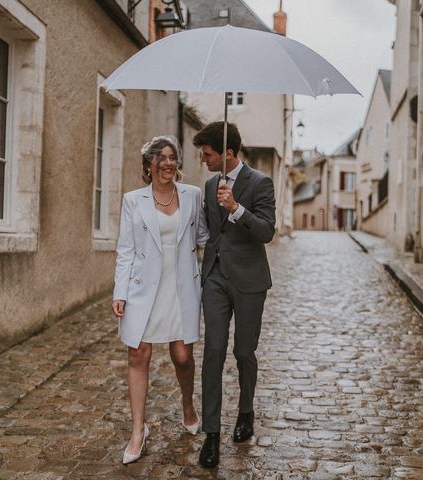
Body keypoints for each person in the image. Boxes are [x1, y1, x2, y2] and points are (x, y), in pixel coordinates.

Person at [112, 135, 208, 465]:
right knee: (139, 354)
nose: (168, 163)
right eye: (161, 158)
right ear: (148, 164)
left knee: (182, 356)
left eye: (173, 157)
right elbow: (125, 249)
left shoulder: (193, 196)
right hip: (142, 289)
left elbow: (204, 237)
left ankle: (187, 403)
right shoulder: (132, 200)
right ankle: (138, 430)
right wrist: (120, 293)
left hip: (181, 288)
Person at [193, 122, 276, 468]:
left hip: (248, 281)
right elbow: (209, 233)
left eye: (207, 153)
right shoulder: (210, 184)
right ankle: (211, 434)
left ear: (227, 153)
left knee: (244, 351)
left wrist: (237, 209)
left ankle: (246, 411)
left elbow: (267, 231)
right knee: (213, 351)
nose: (203, 159)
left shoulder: (261, 183)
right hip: (215, 278)